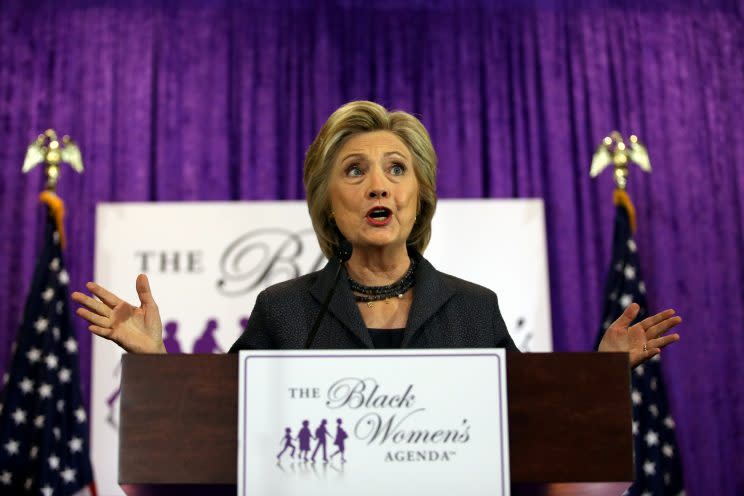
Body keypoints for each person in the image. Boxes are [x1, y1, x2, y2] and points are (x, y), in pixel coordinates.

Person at [71, 101, 681, 364]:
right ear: (328, 204)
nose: (379, 186)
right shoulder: (284, 313)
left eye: (396, 169)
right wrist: (156, 358)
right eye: (354, 172)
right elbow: (218, 419)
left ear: (420, 196)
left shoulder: (473, 310)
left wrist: (600, 375)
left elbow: (530, 422)